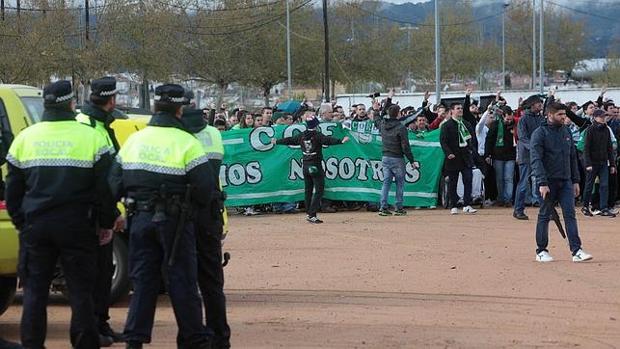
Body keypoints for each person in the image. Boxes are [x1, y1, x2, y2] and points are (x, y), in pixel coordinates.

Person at [5, 80, 117, 348]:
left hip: (36, 226)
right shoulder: (91, 137)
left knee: (34, 292)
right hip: (78, 226)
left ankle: (33, 344)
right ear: (71, 104)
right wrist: (105, 223)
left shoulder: (25, 138)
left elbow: (12, 191)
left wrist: (23, 222)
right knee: (81, 293)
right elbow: (106, 190)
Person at [108, 84, 215, 349]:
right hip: (176, 222)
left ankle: (134, 339)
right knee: (182, 280)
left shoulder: (135, 140)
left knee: (143, 280)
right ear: (180, 110)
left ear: (155, 108)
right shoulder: (187, 142)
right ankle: (193, 339)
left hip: (140, 219)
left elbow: (113, 183)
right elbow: (205, 188)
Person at [76, 76, 125, 345]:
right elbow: (102, 177)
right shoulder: (88, 125)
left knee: (104, 271)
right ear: (112, 99)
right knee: (93, 273)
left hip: (101, 206)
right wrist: (110, 213)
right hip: (91, 210)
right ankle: (92, 326)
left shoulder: (99, 123)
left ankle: (101, 323)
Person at [183, 100, 231, 349]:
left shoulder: (179, 136)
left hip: (183, 213)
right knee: (212, 280)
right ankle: (220, 337)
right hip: (210, 211)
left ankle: (192, 337)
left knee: (185, 280)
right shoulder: (213, 133)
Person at [530, 102, 593, 263]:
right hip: (547, 182)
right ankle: (541, 250)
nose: (564, 117)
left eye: (564, 115)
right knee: (545, 215)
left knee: (570, 214)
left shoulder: (566, 131)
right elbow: (536, 159)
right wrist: (542, 182)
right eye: (560, 115)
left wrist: (576, 180)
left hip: (566, 180)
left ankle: (576, 250)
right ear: (550, 115)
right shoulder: (539, 133)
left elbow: (572, 157)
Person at [271, 111, 349, 224]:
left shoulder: (302, 135)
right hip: (315, 164)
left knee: (308, 190)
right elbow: (328, 140)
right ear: (316, 125)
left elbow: (290, 140)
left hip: (305, 165)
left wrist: (277, 141)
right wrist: (341, 141)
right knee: (319, 190)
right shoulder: (317, 135)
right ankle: (312, 214)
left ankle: (308, 212)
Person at [375, 105, 418, 216]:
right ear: (398, 114)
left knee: (386, 183)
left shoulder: (383, 124)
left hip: (385, 156)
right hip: (397, 158)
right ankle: (398, 207)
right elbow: (405, 146)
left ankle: (383, 207)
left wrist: (376, 109)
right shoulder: (400, 127)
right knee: (400, 184)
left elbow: (376, 120)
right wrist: (412, 160)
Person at [440, 102, 477, 215]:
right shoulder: (447, 125)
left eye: (461, 108)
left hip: (466, 157)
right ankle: (453, 205)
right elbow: (443, 141)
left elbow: (473, 138)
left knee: (468, 179)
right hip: (453, 157)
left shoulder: (467, 124)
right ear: (452, 111)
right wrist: (448, 153)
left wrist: (471, 150)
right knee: (453, 182)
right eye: (458, 108)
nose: (460, 110)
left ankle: (467, 204)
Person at [513, 95, 545, 220]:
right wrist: (534, 148)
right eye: (539, 103)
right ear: (532, 105)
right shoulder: (523, 119)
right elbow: (522, 137)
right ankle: (518, 209)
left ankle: (545, 210)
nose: (540, 105)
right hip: (526, 156)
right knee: (524, 183)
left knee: (542, 182)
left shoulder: (541, 118)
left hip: (539, 155)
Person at [581, 109, 617, 217]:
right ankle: (585, 206)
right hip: (592, 163)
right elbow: (586, 148)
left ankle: (604, 208)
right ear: (595, 117)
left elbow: (609, 148)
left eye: (604, 117)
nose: (604, 118)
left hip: (603, 162)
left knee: (604, 185)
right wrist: (588, 164)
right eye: (601, 117)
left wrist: (612, 164)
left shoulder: (606, 129)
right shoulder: (590, 129)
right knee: (589, 185)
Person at [485, 105, 517, 207]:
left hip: (510, 155)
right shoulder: (495, 125)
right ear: (503, 116)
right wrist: (487, 154)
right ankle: (501, 198)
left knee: (509, 178)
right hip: (497, 155)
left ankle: (508, 199)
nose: (509, 121)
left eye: (510, 119)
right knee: (499, 178)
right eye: (507, 119)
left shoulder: (515, 126)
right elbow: (489, 140)